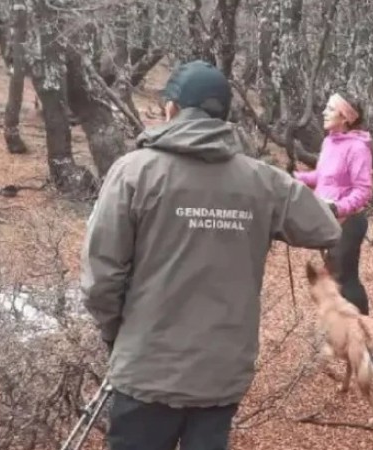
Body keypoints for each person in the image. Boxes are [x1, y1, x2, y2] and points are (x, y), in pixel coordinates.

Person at [79, 60, 342, 450]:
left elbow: (101, 279)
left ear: (170, 110)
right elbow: (326, 227)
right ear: (225, 117)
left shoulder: (134, 172)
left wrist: (117, 334)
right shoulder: (261, 180)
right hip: (221, 374)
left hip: (147, 368)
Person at [294, 93, 373, 315]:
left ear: (345, 117)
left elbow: (363, 190)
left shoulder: (358, 148)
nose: (323, 112)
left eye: (330, 109)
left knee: (345, 278)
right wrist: (293, 178)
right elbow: (322, 177)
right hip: (329, 219)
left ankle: (364, 331)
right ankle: (344, 328)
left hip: (349, 221)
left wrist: (338, 208)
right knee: (333, 277)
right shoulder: (329, 141)